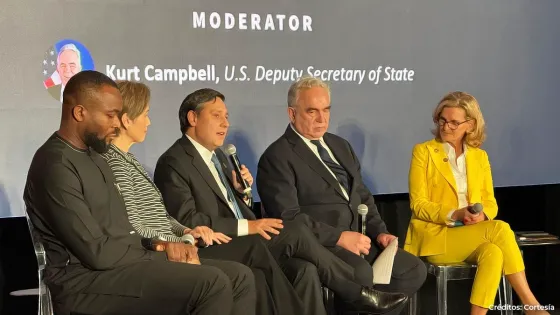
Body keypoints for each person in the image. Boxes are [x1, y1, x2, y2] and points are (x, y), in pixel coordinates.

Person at [153, 87, 408, 315]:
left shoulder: (218, 157)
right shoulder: (174, 161)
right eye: (217, 115)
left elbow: (231, 208)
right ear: (192, 118)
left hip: (245, 239)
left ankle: (356, 293)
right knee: (295, 229)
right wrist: (248, 227)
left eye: (227, 116)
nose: (225, 123)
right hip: (217, 245)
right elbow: (186, 220)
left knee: (305, 270)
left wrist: (243, 193)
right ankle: (357, 293)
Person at [23, 70, 256, 315]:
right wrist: (164, 254)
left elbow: (124, 230)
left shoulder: (97, 157)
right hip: (82, 281)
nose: (117, 123)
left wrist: (159, 244)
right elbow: (96, 252)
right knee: (211, 282)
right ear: (80, 113)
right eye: (110, 115)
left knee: (239, 277)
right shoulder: (55, 165)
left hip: (120, 267)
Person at [102, 80, 307, 315]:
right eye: (145, 114)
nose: (149, 121)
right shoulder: (120, 163)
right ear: (127, 119)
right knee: (258, 252)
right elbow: (134, 224)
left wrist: (187, 231)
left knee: (279, 271)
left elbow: (163, 218)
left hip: (187, 241)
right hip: (162, 254)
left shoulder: (131, 161)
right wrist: (181, 239)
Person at [256, 76, 427, 315]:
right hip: (323, 245)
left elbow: (362, 195)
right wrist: (338, 237)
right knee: (360, 273)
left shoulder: (340, 146)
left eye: (326, 110)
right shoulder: (277, 157)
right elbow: (289, 219)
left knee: (413, 270)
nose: (321, 118)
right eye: (312, 111)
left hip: (362, 239)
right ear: (292, 114)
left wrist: (381, 233)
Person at [404, 91, 549, 315]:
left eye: (454, 122)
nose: (446, 127)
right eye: (442, 120)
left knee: (493, 252)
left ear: (470, 125)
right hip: (436, 235)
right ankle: (531, 305)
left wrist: (481, 216)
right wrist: (456, 213)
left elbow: (490, 202)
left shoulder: (479, 157)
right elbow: (418, 204)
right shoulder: (423, 152)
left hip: (472, 232)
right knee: (500, 228)